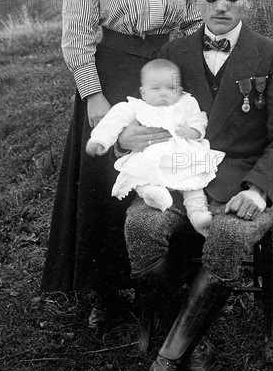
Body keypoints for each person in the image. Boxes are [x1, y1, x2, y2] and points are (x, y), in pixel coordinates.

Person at [119, 0, 273, 371]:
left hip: (241, 179)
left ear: (246, 0)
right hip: (175, 173)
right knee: (142, 228)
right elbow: (145, 113)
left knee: (227, 233)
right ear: (197, 2)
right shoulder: (174, 53)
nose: (221, 5)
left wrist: (258, 190)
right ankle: (192, 342)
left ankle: (168, 360)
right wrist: (125, 140)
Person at [40, 0, 202, 328]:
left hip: (163, 73)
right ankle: (106, 291)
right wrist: (92, 94)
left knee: (166, 158)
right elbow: (76, 34)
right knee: (105, 173)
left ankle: (165, 277)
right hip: (110, 71)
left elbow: (190, 25)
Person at [86, 58, 225, 237]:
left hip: (180, 154)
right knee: (141, 175)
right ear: (143, 92)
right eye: (156, 88)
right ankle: (151, 194)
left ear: (180, 90)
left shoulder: (186, 103)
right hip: (150, 157)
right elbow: (113, 121)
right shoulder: (135, 107)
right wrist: (100, 140)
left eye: (171, 88)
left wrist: (194, 131)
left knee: (193, 178)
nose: (163, 94)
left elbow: (199, 118)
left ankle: (198, 213)